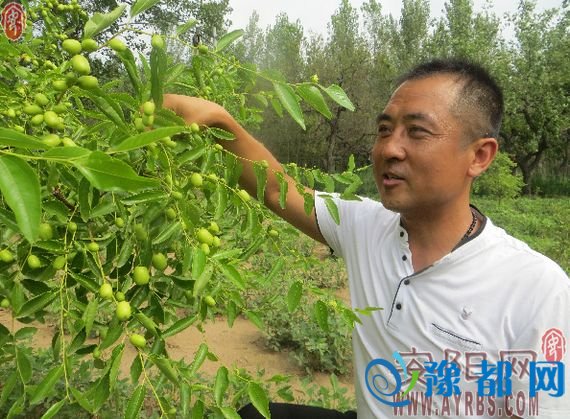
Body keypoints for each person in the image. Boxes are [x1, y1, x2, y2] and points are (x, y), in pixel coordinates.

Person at [163, 58, 569, 418]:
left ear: (479, 156)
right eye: (384, 129)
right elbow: (276, 189)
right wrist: (218, 122)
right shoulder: (365, 224)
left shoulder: (536, 288)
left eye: (417, 132)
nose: (389, 149)